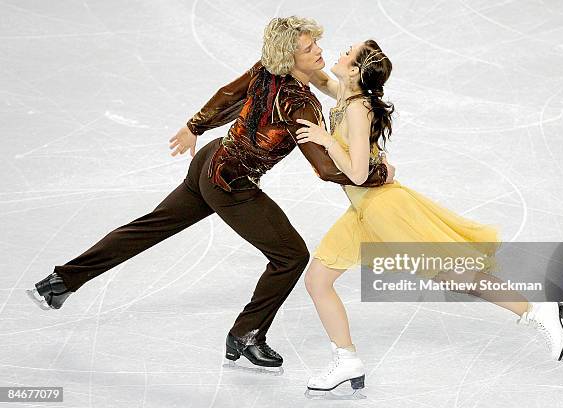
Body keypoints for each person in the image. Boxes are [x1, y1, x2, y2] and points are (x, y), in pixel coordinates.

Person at [26, 17, 393, 371]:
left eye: (315, 43)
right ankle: (246, 335)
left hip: (210, 161)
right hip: (231, 184)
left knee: (150, 226)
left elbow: (229, 94)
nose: (319, 50)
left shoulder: (268, 69)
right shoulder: (300, 105)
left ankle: (60, 281)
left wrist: (195, 126)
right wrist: (378, 173)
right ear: (289, 58)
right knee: (291, 256)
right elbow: (328, 169)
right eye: (308, 47)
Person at [296, 39, 563, 397]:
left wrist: (326, 140)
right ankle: (347, 359)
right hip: (363, 210)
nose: (336, 53)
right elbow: (321, 80)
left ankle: (537, 309)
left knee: (451, 272)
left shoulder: (357, 109)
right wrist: (290, 56)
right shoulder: (346, 97)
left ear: (355, 70)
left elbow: (356, 173)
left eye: (345, 52)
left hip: (385, 210)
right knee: (318, 280)